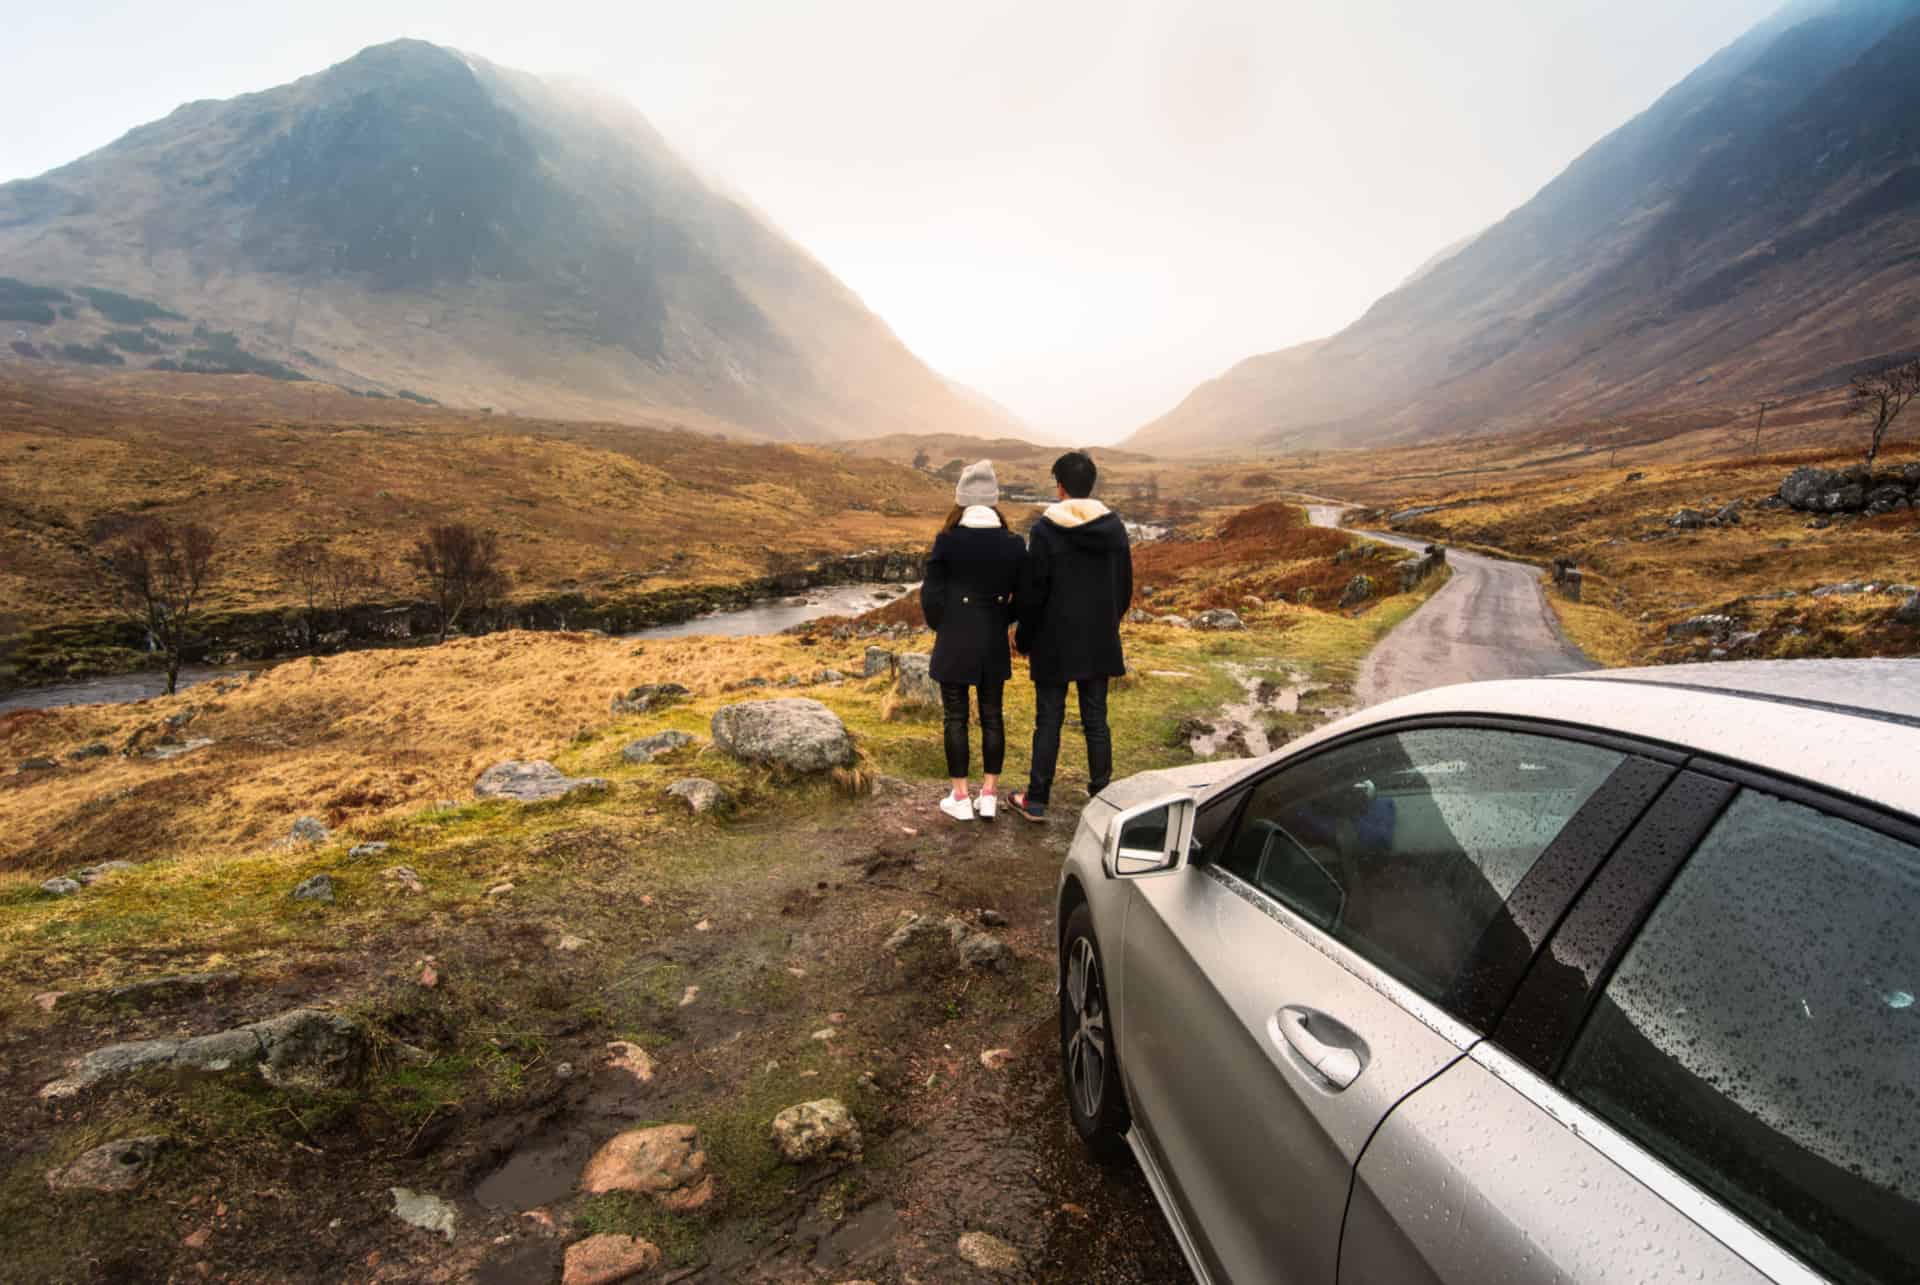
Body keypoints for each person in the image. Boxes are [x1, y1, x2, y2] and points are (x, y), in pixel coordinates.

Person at [1009, 450, 1132, 822]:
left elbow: (1033, 593)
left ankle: (1036, 800)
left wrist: (1025, 638)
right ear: (1090, 485)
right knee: (1096, 718)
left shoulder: (1045, 530)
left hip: (1053, 641)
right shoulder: (1114, 527)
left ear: (1060, 486)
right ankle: (1103, 797)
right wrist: (1109, 621)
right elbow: (1124, 587)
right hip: (1098, 638)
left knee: (1048, 719)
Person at [920, 460, 1027, 822]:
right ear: (994, 499)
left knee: (956, 717)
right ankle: (991, 795)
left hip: (954, 640)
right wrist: (1001, 618)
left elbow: (930, 596)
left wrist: (944, 624)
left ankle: (961, 797)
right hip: (992, 641)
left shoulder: (947, 541)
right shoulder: (1013, 543)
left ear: (962, 499)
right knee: (993, 716)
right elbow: (1024, 597)